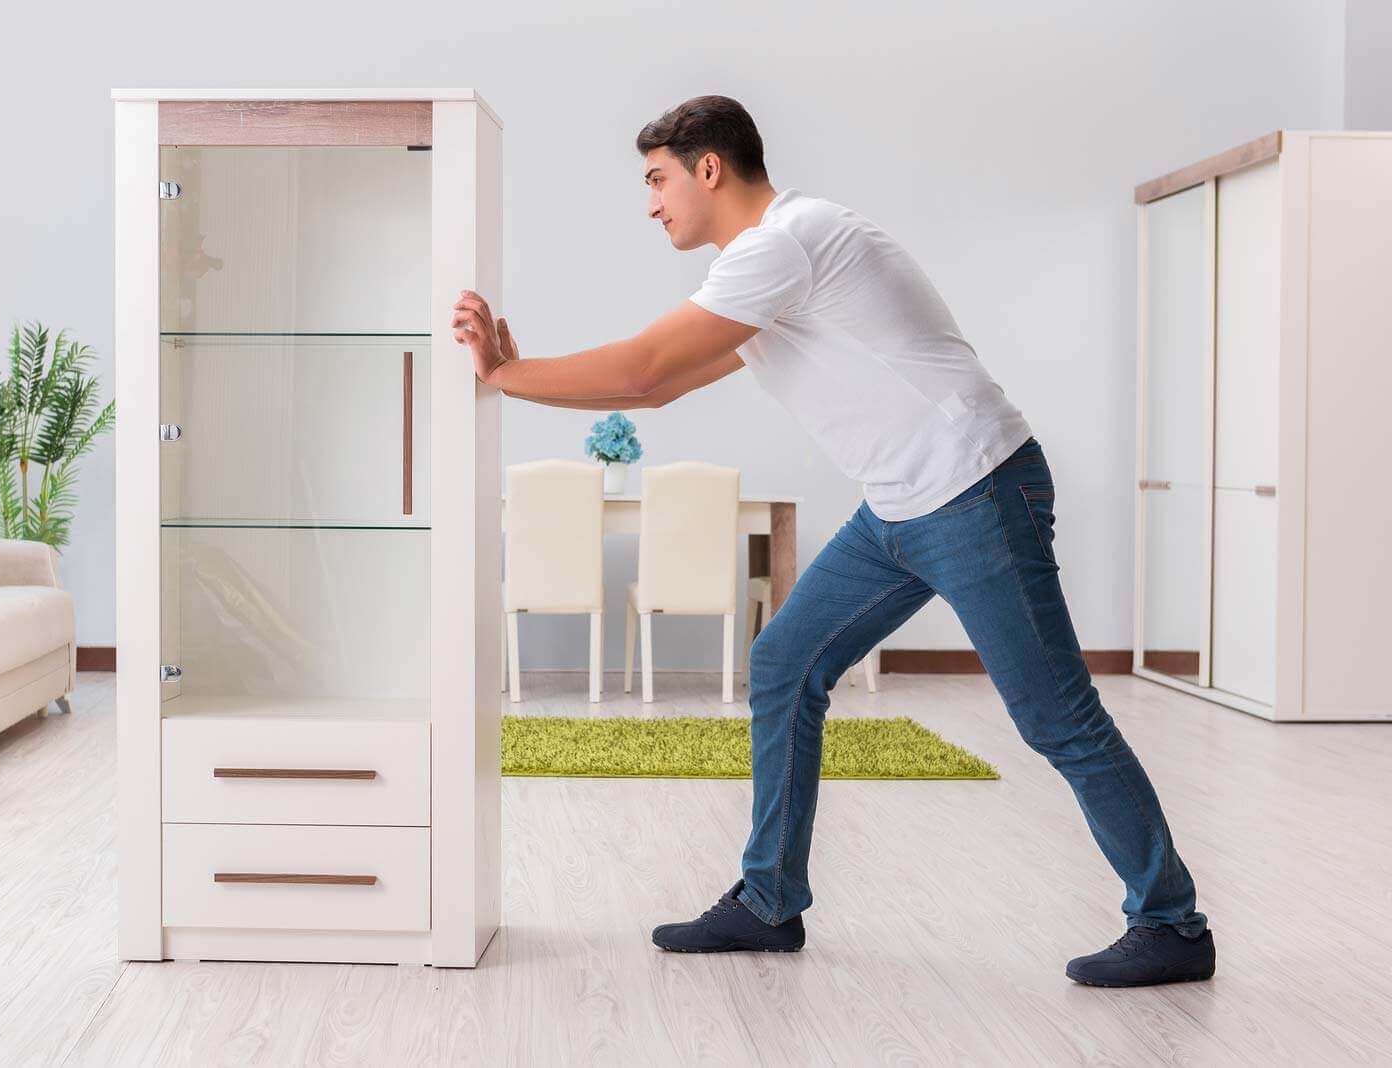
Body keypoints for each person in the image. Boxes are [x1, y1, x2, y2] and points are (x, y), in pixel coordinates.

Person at [449, 94, 1214, 988]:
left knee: (1055, 716)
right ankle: (769, 902)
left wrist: (505, 374)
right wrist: (515, 378)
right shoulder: (763, 266)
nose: (651, 203)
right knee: (784, 661)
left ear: (709, 169)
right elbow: (660, 391)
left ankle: (1171, 923)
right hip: (897, 509)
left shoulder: (787, 242)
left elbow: (644, 367)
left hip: (976, 491)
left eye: (657, 179)